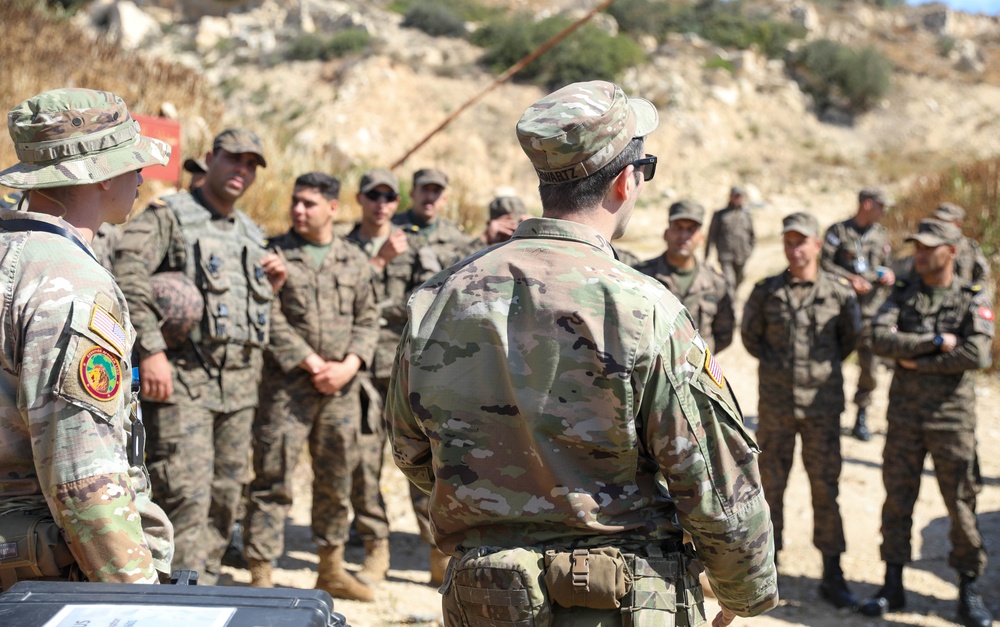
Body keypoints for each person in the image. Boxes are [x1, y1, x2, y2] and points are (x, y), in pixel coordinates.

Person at [387, 80, 778, 626]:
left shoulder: (440, 298)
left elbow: (411, 450)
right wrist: (744, 593)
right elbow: (714, 481)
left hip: (487, 599)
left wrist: (501, 505)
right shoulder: (646, 310)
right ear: (625, 181)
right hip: (616, 602)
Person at [0, 87, 173, 586]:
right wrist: (137, 598)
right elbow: (81, 476)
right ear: (98, 175)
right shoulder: (69, 282)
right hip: (44, 576)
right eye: (131, 164)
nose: (141, 177)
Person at [112, 128, 286, 584]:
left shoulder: (251, 231)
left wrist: (271, 289)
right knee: (184, 495)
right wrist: (150, 351)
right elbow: (128, 275)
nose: (241, 171)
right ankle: (178, 599)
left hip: (240, 388)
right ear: (210, 159)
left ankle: (203, 589)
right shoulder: (171, 215)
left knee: (226, 497)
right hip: (184, 382)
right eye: (233, 159)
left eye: (251, 164)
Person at [243, 172, 380, 601]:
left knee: (336, 479)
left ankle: (331, 569)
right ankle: (261, 574)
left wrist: (350, 365)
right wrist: (313, 362)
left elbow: (369, 318)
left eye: (310, 204)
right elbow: (267, 316)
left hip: (341, 389)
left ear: (333, 208)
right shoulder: (275, 255)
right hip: (288, 388)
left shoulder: (354, 260)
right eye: (295, 202)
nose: (299, 211)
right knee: (273, 479)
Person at [862, 219, 994, 627]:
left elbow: (978, 354)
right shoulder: (903, 293)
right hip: (904, 417)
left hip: (952, 420)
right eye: (917, 246)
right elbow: (878, 338)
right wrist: (934, 343)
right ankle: (892, 583)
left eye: (929, 247)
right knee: (898, 500)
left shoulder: (972, 296)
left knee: (961, 506)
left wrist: (913, 362)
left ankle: (968, 590)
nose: (920, 253)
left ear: (951, 251)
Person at [741, 212, 862, 610]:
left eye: (802, 241)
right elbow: (751, 338)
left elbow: (849, 341)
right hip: (776, 409)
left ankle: (832, 572)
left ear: (816, 245)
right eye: (789, 240)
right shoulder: (766, 291)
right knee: (770, 487)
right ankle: (767, 568)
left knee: (825, 490)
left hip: (822, 410)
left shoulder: (840, 292)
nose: (795, 248)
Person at [345, 169, 445, 584]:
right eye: (373, 195)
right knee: (363, 464)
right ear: (361, 199)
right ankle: (375, 549)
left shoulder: (415, 245)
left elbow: (427, 299)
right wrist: (378, 261)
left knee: (422, 459)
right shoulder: (345, 247)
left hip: (408, 367)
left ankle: (437, 551)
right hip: (362, 367)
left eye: (389, 196)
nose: (381, 203)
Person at [820, 187, 896, 442]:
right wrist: (849, 279)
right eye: (880, 206)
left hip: (871, 312)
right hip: (839, 311)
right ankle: (826, 412)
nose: (884, 212)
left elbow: (886, 266)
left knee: (870, 368)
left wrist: (887, 276)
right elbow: (824, 265)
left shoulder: (880, 233)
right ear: (866, 204)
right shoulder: (838, 232)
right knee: (829, 364)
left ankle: (861, 414)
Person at [634, 199, 734, 354]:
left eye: (691, 230)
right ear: (666, 234)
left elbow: (724, 335)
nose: (683, 235)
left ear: (701, 238)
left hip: (698, 373)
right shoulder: (642, 277)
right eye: (678, 228)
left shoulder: (715, 283)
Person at [391, 167, 467, 271]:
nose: (430, 197)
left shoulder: (455, 234)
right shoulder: (391, 228)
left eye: (436, 191)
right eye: (424, 189)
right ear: (412, 193)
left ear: (444, 199)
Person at [705, 185, 755, 296]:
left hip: (742, 256)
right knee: (729, 281)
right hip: (726, 256)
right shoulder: (720, 215)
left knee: (739, 280)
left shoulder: (746, 215)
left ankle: (732, 298)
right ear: (730, 196)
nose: (737, 199)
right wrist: (706, 255)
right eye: (735, 196)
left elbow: (752, 236)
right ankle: (731, 304)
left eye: (739, 196)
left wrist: (749, 251)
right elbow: (711, 235)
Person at [933, 203, 991, 286]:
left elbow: (983, 274)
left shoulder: (969, 247)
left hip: (962, 297)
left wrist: (973, 292)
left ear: (958, 223)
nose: (940, 224)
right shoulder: (929, 247)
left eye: (945, 221)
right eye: (938, 220)